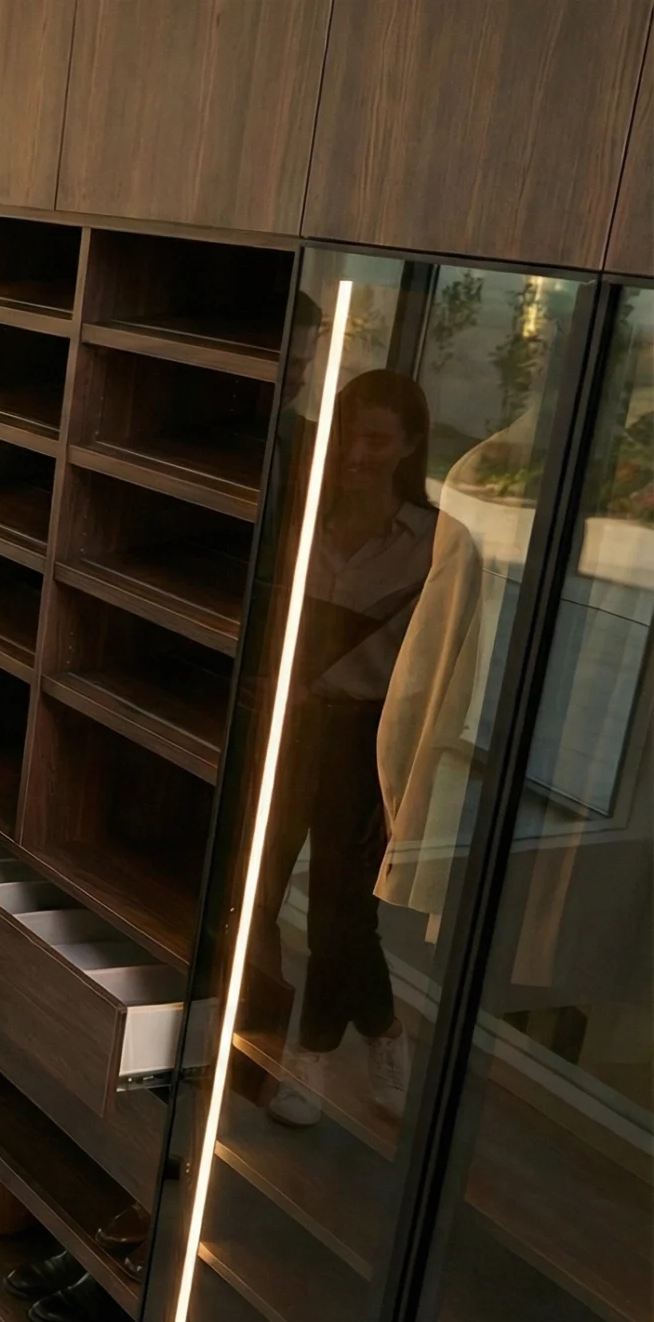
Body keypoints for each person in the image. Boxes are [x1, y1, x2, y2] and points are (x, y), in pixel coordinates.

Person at [260, 368, 436, 1127]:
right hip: (287, 727)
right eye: (348, 433)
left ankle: (313, 1060)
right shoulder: (303, 521)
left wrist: (407, 790)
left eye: (377, 437)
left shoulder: (433, 544)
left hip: (366, 738)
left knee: (338, 913)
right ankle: (374, 1027)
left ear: (410, 446)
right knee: (254, 890)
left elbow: (440, 679)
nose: (357, 452)